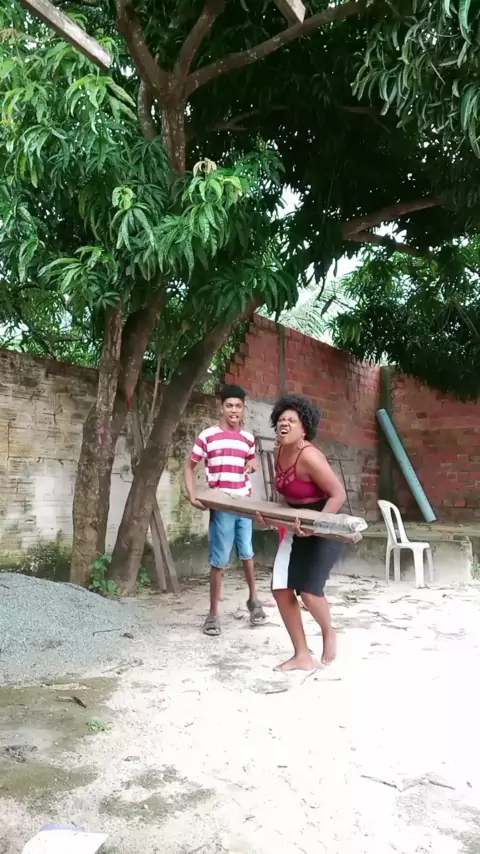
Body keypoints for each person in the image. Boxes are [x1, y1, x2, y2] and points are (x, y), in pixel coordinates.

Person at [260, 394, 346, 671]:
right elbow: (287, 496)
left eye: (292, 420)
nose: (284, 423)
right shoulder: (278, 451)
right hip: (296, 522)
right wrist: (272, 516)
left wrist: (316, 526)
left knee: (309, 593)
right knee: (280, 589)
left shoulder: (309, 456)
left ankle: (328, 631)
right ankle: (302, 655)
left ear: (304, 429)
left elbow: (338, 495)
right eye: (281, 419)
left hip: (326, 520)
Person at [184, 384, 266, 636]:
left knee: (248, 553)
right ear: (221, 408)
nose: (234, 410)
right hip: (222, 505)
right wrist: (192, 495)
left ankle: (254, 601)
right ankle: (213, 615)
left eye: (238, 406)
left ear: (243, 409)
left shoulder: (248, 438)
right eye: (229, 405)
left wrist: (253, 463)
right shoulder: (208, 436)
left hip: (244, 504)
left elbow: (251, 459)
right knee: (219, 560)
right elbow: (189, 466)